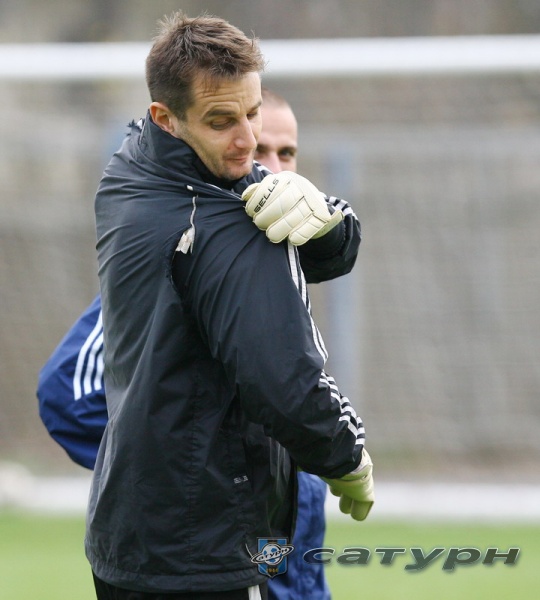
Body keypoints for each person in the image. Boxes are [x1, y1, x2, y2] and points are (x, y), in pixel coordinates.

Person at [38, 12, 374, 599]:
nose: (251, 148)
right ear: (165, 118)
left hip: (147, 541)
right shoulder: (222, 224)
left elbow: (313, 255)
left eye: (257, 119)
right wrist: (349, 458)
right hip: (205, 539)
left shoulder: (130, 170)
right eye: (223, 122)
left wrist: (330, 222)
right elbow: (287, 382)